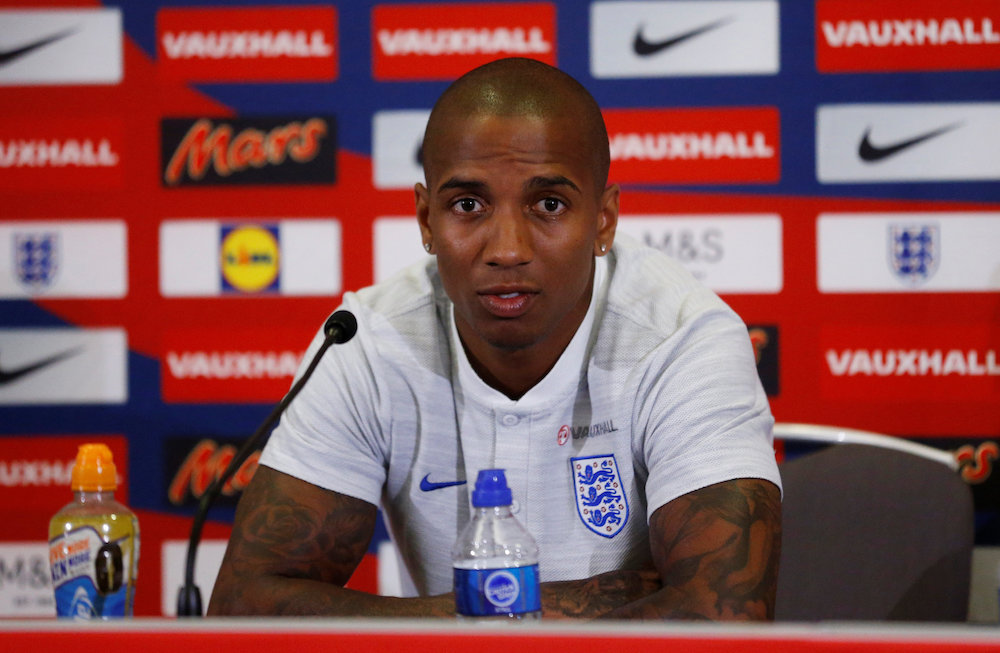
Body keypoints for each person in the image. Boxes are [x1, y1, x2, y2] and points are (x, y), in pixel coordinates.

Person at [208, 57, 782, 620]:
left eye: (549, 204)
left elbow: (726, 614)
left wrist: (449, 622)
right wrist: (520, 611)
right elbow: (241, 609)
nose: (507, 249)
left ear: (603, 221)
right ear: (426, 220)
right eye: (468, 205)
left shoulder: (682, 339)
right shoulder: (368, 340)